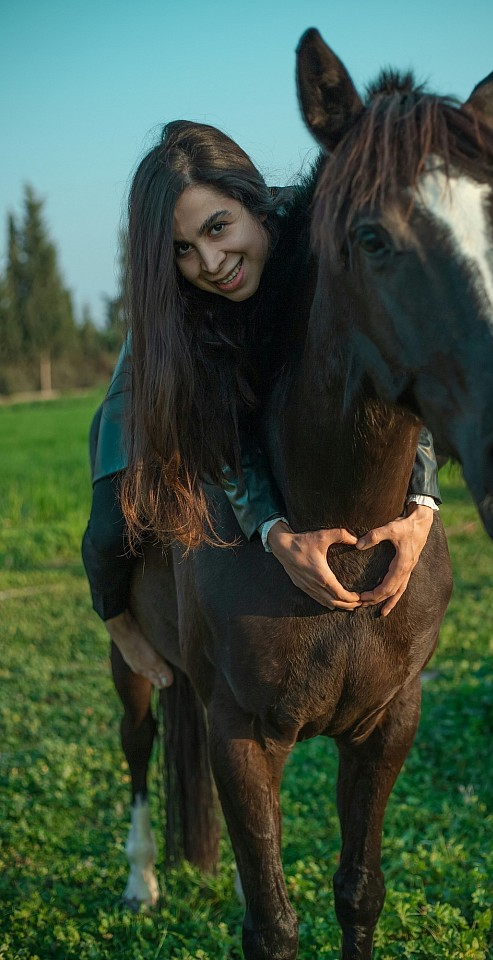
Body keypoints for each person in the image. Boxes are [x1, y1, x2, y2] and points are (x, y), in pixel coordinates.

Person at [82, 121, 441, 689]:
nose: (211, 262)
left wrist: (423, 500)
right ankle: (118, 624)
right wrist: (273, 530)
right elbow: (222, 424)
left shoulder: (315, 238)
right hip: (164, 364)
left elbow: (393, 354)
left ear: (254, 201)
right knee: (109, 527)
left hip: (260, 358)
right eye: (183, 250)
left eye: (218, 226)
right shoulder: (183, 307)